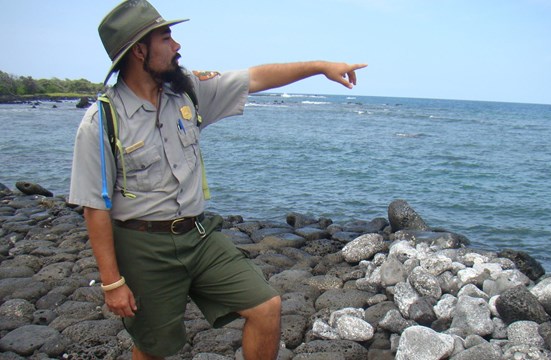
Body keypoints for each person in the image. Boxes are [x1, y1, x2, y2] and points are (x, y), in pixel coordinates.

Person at [68, 1, 366, 359]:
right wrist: (112, 283)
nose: (177, 46)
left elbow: (254, 77)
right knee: (154, 348)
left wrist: (321, 67)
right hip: (143, 247)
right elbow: (94, 207)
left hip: (198, 235)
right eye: (167, 38)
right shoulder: (102, 120)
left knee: (266, 306)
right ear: (139, 51)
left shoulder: (188, 91)